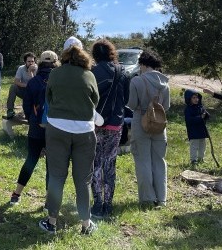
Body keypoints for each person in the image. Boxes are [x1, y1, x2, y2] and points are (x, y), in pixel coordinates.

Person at [39, 36, 99, 236]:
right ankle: (85, 223)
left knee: (57, 176)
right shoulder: (89, 75)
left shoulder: (55, 74)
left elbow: (49, 97)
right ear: (82, 53)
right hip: (84, 131)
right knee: (83, 180)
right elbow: (95, 100)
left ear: (63, 53)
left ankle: (52, 221)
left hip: (57, 129)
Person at [9, 50, 58, 205]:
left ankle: (16, 194)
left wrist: (33, 121)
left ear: (40, 63)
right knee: (52, 165)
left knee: (30, 160)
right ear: (55, 62)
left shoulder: (33, 82)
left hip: (36, 128)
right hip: (55, 128)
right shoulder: (59, 81)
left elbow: (27, 106)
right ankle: (49, 201)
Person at [90, 39, 129, 220]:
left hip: (96, 123)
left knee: (96, 163)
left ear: (95, 55)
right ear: (112, 52)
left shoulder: (92, 72)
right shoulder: (123, 72)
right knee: (110, 164)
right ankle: (109, 204)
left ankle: (97, 204)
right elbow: (126, 99)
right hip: (116, 124)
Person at [126, 49, 170, 209]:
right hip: (160, 123)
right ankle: (162, 198)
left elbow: (131, 104)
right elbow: (166, 106)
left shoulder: (137, 81)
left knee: (143, 160)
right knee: (159, 160)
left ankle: (147, 198)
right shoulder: (165, 82)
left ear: (143, 64)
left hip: (141, 122)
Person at [6, 52, 37, 120]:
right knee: (13, 87)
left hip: (34, 93)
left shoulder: (37, 69)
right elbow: (16, 81)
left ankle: (31, 111)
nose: (31, 63)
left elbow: (34, 84)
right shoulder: (21, 68)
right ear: (25, 62)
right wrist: (26, 85)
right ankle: (10, 110)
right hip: (24, 90)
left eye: (32, 61)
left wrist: (30, 72)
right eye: (29, 61)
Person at [183, 89, 210, 166]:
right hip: (193, 131)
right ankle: (193, 160)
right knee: (194, 146)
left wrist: (206, 115)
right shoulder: (188, 109)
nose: (196, 99)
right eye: (194, 98)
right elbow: (189, 120)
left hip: (202, 130)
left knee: (202, 145)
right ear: (189, 99)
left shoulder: (200, 107)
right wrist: (200, 117)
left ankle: (201, 158)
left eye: (197, 97)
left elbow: (207, 116)